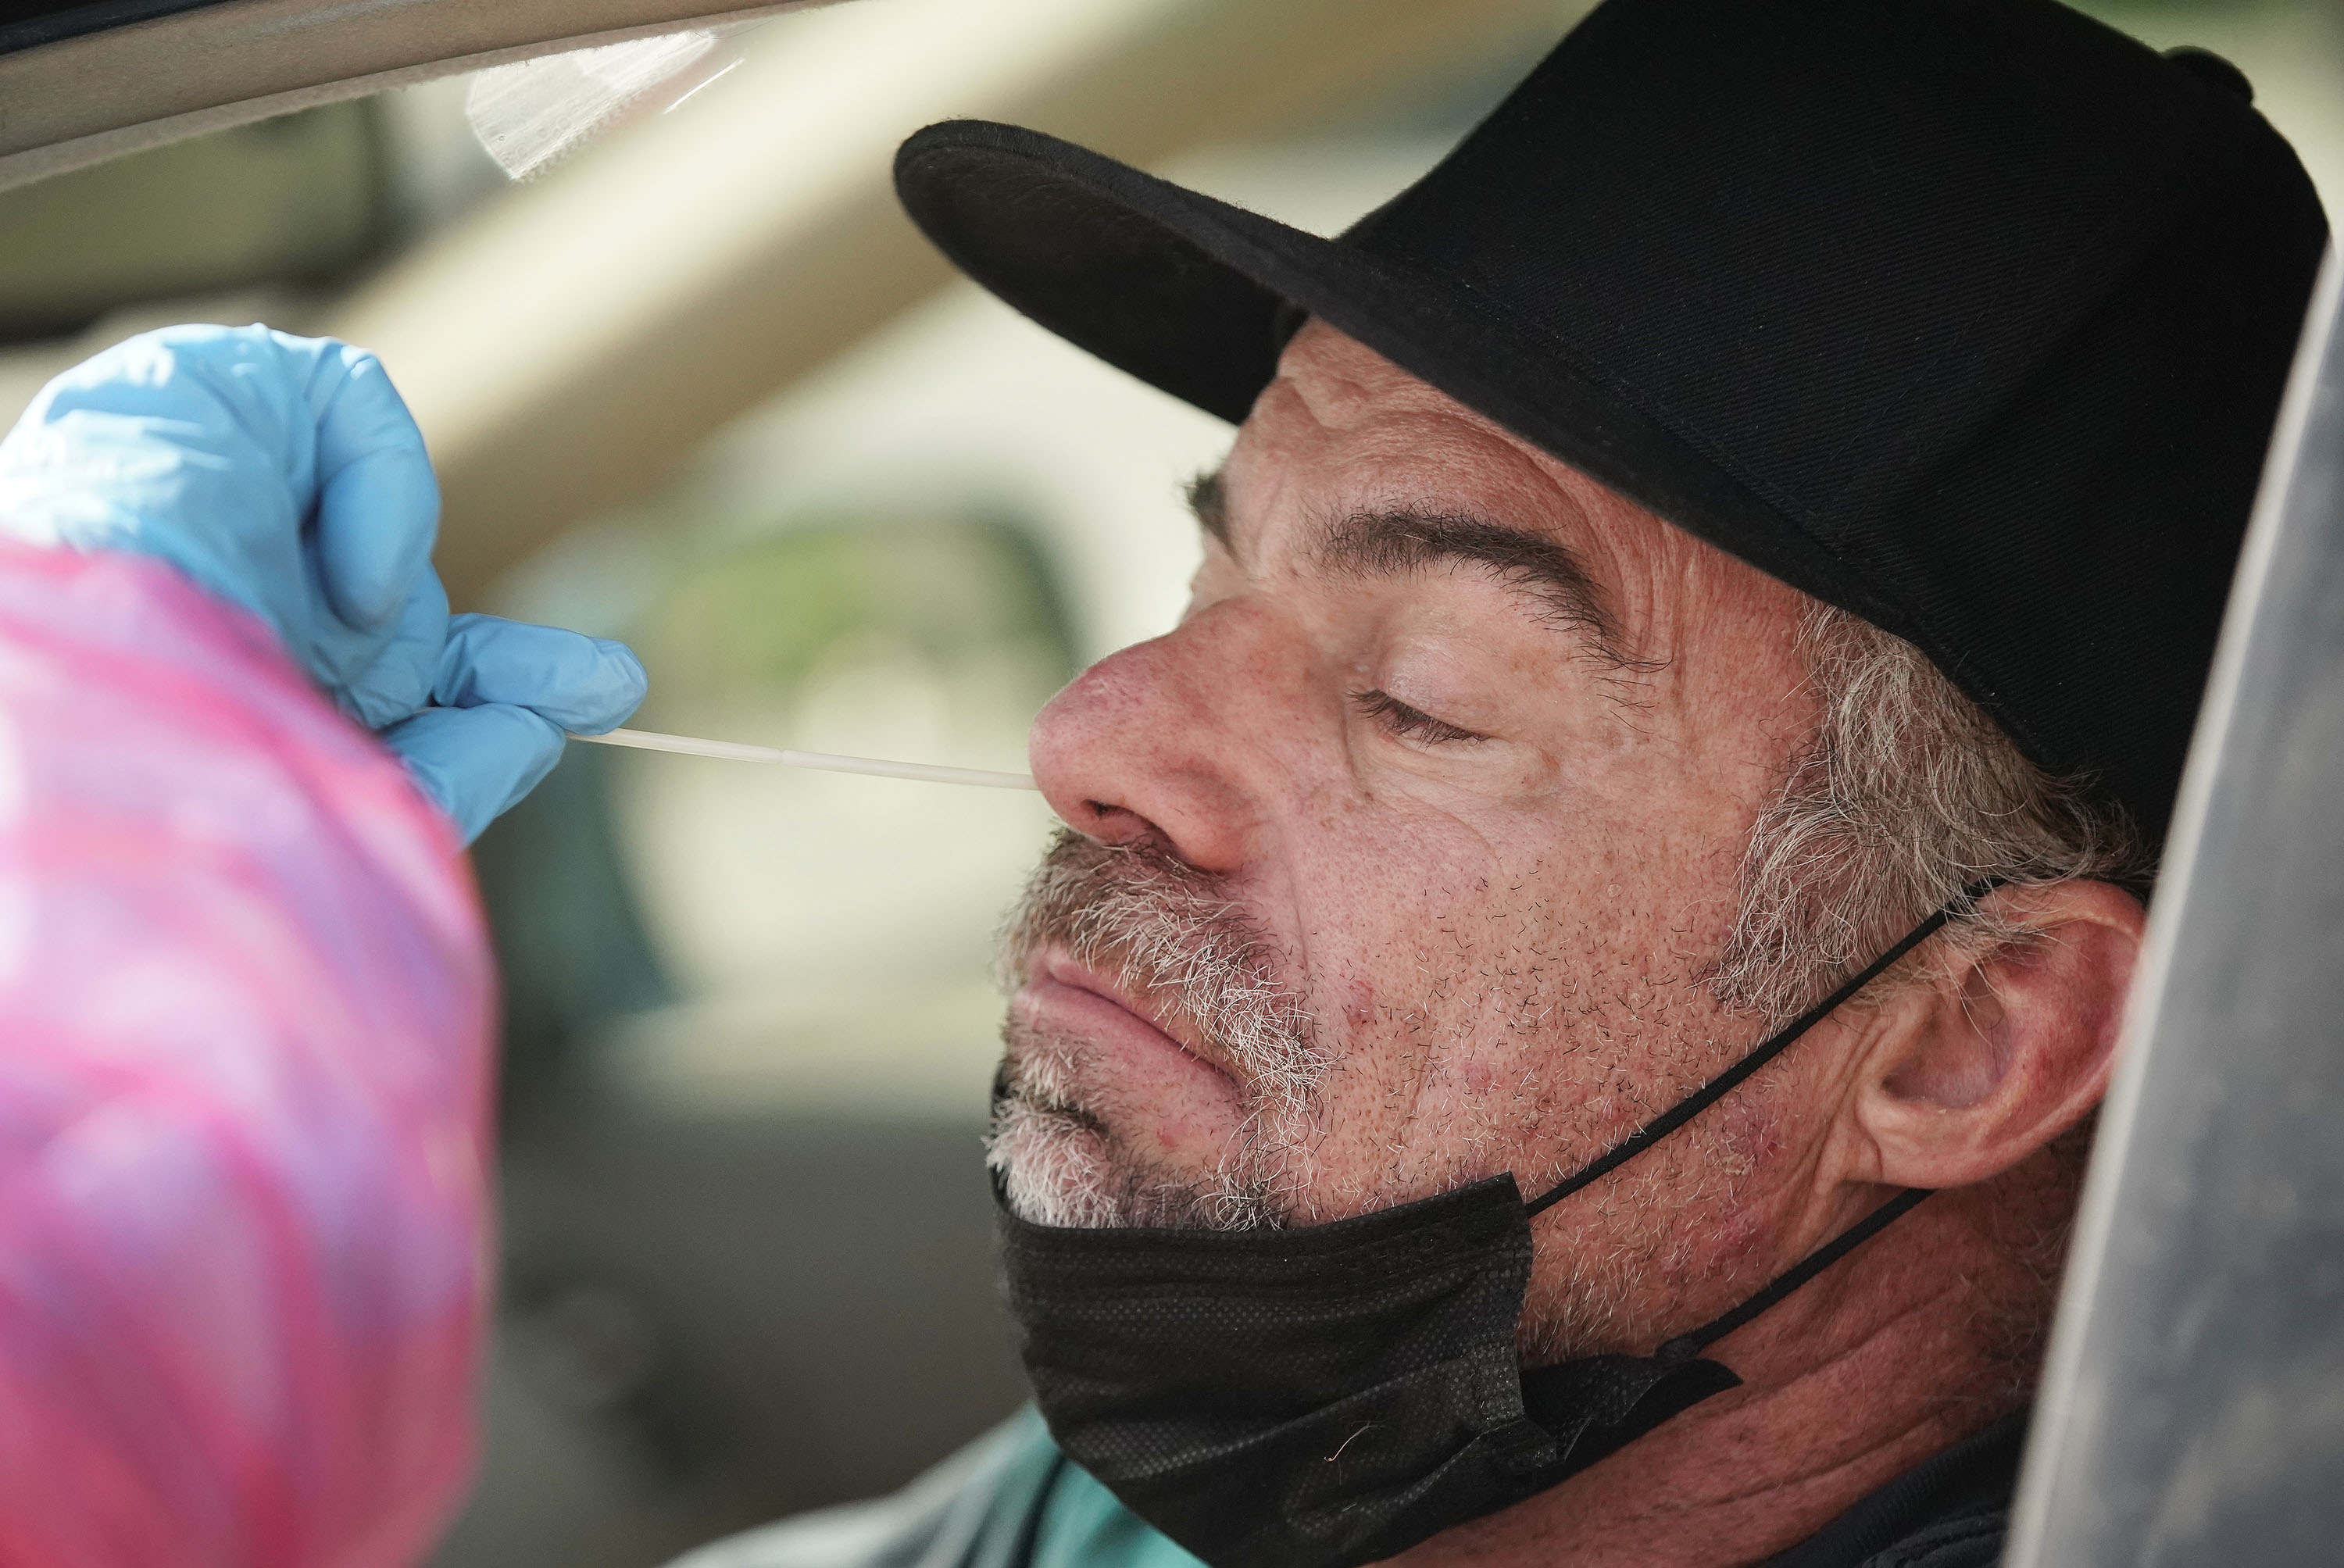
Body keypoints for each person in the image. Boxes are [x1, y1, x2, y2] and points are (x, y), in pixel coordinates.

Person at [0, 3, 2321, 1568]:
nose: (1093, 737)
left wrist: (134, 949)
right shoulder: (1257, 1482)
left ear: (1963, 1037)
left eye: (1416, 693)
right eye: (1215, 567)